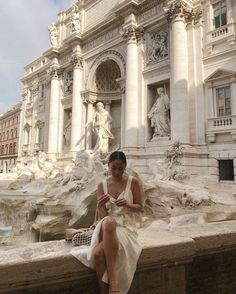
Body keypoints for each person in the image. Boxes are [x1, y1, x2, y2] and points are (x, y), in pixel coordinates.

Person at [71, 151, 143, 294]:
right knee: (109, 222)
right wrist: (100, 206)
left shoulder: (132, 182)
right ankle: (114, 283)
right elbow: (103, 216)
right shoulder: (101, 185)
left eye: (120, 169)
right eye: (114, 168)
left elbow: (140, 207)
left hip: (125, 227)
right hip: (105, 226)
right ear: (108, 166)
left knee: (98, 254)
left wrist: (128, 205)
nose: (117, 172)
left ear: (125, 167)